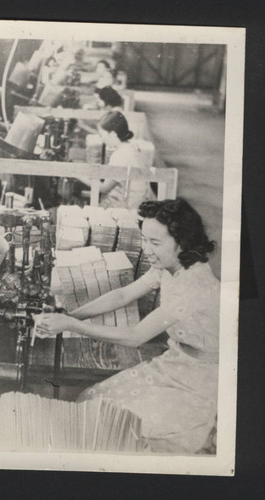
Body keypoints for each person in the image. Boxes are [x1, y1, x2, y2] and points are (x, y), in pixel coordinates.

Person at [35, 198, 220, 454]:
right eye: (144, 239)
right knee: (93, 401)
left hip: (202, 379)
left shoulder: (193, 283)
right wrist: (69, 315)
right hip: (175, 363)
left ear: (183, 243)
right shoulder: (168, 267)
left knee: (126, 430)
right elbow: (122, 295)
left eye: (155, 243)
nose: (146, 249)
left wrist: (71, 325)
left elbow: (136, 336)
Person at [80, 111, 155, 209]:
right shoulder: (131, 147)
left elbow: (104, 188)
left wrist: (78, 175)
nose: (102, 139)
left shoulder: (121, 155)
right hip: (136, 201)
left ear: (113, 134)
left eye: (102, 134)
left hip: (129, 207)